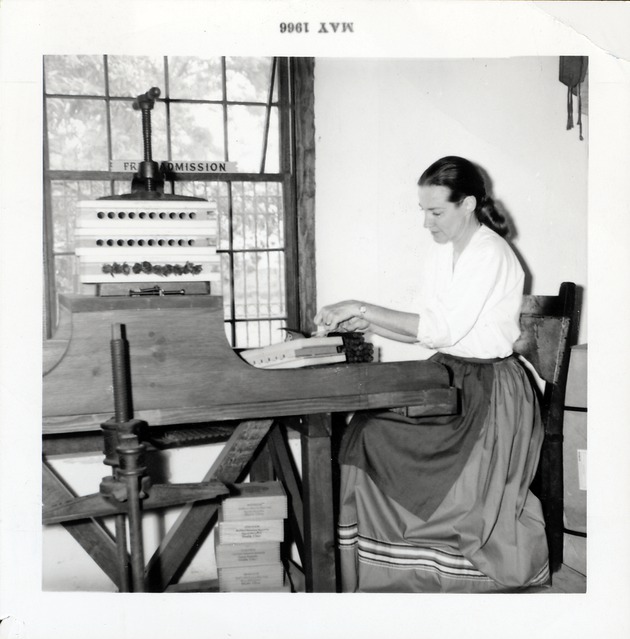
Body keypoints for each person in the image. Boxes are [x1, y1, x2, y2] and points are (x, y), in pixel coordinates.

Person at [314, 156, 549, 593]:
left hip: (489, 390)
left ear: (469, 204)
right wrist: (368, 324)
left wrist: (360, 306)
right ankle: (385, 569)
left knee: (373, 435)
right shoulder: (446, 252)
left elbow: (441, 329)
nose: (427, 223)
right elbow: (431, 326)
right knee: (364, 431)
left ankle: (427, 568)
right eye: (423, 211)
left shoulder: (490, 252)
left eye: (436, 211)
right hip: (451, 374)